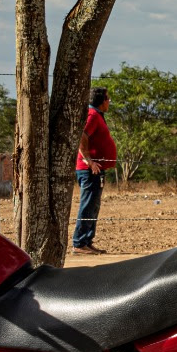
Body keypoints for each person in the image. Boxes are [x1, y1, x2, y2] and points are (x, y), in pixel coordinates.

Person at [73, 86, 117, 255]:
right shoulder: (92, 115)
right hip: (89, 170)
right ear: (102, 100)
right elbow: (82, 135)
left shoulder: (97, 115)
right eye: (108, 99)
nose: (109, 102)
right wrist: (88, 160)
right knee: (88, 205)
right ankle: (79, 243)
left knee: (93, 206)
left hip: (96, 170)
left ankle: (86, 241)